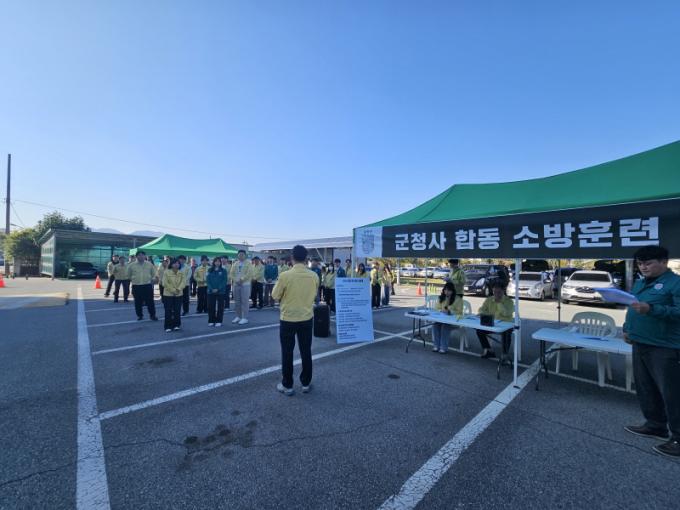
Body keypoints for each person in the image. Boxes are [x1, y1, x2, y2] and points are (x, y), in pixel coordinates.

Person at [623, 245, 680, 458]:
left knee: (672, 394)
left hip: (665, 346)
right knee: (646, 388)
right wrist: (627, 328)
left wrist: (653, 309)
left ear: (664, 262)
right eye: (640, 264)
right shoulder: (640, 282)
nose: (643, 267)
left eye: (648, 263)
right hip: (640, 342)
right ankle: (655, 424)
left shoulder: (675, 283)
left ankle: (678, 438)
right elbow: (632, 307)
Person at [272, 244, 319, 396]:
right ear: (306, 258)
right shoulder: (314, 276)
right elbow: (314, 294)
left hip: (288, 318)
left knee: (287, 352)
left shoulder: (285, 276)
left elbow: (275, 295)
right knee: (306, 351)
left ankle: (287, 385)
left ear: (292, 257)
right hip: (306, 317)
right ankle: (305, 383)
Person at [476, 281, 514, 359]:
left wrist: (499, 303)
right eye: (494, 292)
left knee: (506, 333)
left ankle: (505, 355)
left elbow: (506, 313)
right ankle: (488, 350)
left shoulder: (509, 301)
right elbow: (481, 309)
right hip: (492, 323)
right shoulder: (489, 299)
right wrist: (483, 313)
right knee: (479, 330)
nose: (496, 294)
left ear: (503, 291)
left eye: (499, 292)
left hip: (505, 324)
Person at [432, 282, 464, 353]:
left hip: (454, 321)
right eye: (445, 290)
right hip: (442, 319)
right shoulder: (441, 298)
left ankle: (443, 347)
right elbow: (436, 308)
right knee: (435, 325)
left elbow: (460, 312)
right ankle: (436, 346)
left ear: (452, 291)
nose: (446, 292)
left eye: (449, 290)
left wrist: (450, 312)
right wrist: (441, 311)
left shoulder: (458, 299)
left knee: (445, 326)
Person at [127, 251, 158, 321]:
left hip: (147, 286)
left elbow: (154, 274)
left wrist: (153, 279)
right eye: (139, 255)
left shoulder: (149, 264)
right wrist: (134, 279)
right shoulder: (131, 265)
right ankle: (140, 315)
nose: (141, 256)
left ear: (145, 256)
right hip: (136, 286)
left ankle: (152, 315)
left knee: (150, 302)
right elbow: (128, 275)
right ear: (136, 256)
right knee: (137, 302)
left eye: (142, 255)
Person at [161, 258, 185, 332]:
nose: (176, 264)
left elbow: (183, 282)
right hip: (168, 295)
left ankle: (176, 325)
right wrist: (173, 290)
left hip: (179, 294)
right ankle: (168, 326)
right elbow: (164, 283)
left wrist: (178, 289)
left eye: (178, 263)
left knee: (177, 310)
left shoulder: (181, 272)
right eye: (175, 263)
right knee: (168, 310)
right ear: (171, 264)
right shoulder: (166, 272)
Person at [230, 250, 254, 325]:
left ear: (245, 255)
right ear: (237, 255)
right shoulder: (235, 263)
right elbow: (231, 274)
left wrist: (242, 279)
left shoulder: (249, 263)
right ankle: (238, 316)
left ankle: (245, 318)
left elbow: (249, 273)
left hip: (245, 284)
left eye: (242, 254)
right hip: (236, 284)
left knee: (245, 301)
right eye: (239, 254)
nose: (240, 256)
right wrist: (236, 280)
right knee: (237, 301)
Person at [207, 256, 228, 327]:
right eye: (216, 261)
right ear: (213, 262)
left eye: (219, 261)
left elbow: (224, 281)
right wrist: (211, 288)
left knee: (220, 307)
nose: (217, 263)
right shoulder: (209, 270)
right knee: (211, 306)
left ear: (220, 263)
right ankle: (211, 320)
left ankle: (219, 321)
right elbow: (208, 280)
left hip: (221, 291)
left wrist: (218, 289)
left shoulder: (223, 270)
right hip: (211, 291)